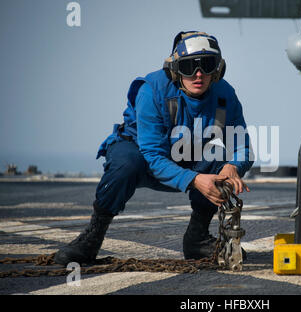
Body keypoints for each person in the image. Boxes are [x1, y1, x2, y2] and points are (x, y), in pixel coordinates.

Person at [54, 31, 253, 265]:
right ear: (175, 69)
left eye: (206, 65)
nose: (198, 74)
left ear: (218, 69)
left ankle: (196, 239)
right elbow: (152, 156)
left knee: (222, 162)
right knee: (127, 163)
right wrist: (195, 179)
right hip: (142, 155)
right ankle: (91, 238)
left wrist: (233, 166)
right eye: (189, 66)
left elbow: (244, 147)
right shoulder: (151, 89)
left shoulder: (225, 94)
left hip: (186, 155)